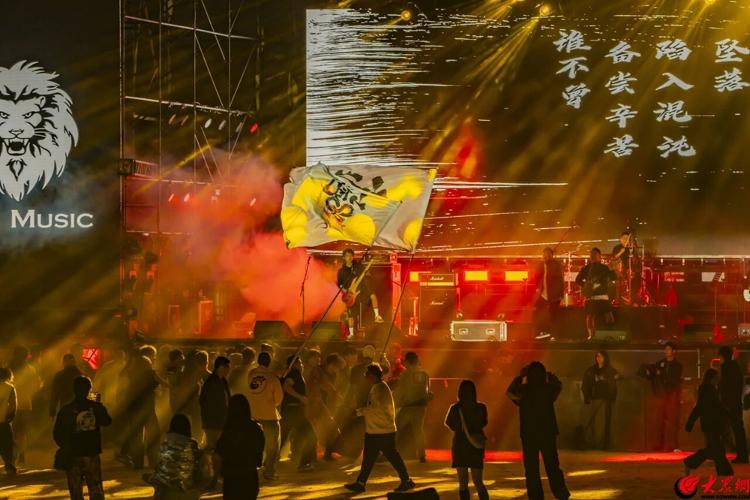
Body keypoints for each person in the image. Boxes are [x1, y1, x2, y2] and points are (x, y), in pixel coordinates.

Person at [344, 363, 415, 494]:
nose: (365, 377)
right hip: (376, 430)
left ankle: (406, 480)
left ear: (372, 375)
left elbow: (375, 408)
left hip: (381, 430)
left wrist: (358, 412)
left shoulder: (380, 388)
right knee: (370, 458)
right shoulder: (379, 387)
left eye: (367, 374)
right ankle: (361, 483)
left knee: (390, 457)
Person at [507, 362, 570, 500]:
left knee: (531, 469)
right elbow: (558, 386)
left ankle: (536, 496)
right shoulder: (547, 390)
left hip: (529, 433)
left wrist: (520, 377)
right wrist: (550, 377)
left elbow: (510, 393)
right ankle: (561, 494)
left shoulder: (524, 391)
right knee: (552, 466)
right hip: (547, 432)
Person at [53, 376, 112, 500]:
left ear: (74, 390)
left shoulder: (66, 410)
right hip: (91, 453)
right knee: (96, 490)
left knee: (75, 492)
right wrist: (99, 407)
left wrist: (66, 446)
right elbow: (107, 421)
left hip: (73, 455)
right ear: (89, 389)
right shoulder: (95, 407)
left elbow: (57, 434)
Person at [445, 380, 489, 500]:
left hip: (460, 444)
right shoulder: (481, 407)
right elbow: (484, 422)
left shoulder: (455, 408)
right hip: (476, 445)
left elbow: (448, 423)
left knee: (463, 482)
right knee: (478, 481)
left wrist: (460, 429)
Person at [684, 368, 733, 476]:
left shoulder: (710, 389)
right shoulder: (707, 390)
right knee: (717, 449)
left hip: (712, 423)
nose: (718, 379)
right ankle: (724, 471)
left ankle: (691, 462)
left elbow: (701, 407)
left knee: (714, 449)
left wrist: (690, 422)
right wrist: (690, 422)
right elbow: (702, 407)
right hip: (711, 424)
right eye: (716, 377)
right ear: (712, 378)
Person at [215, 395, 265, 500]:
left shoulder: (227, 430)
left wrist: (219, 473)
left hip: (231, 478)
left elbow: (219, 453)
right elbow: (259, 452)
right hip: (249, 476)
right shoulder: (255, 429)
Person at [145, 414, 201, 500]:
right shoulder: (193, 446)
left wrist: (151, 478)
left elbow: (160, 470)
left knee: (157, 483)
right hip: (189, 492)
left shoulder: (165, 445)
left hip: (168, 494)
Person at [640, 342, 683, 451]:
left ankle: (671, 445)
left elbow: (674, 379)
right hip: (660, 395)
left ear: (674, 351)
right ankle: (659, 444)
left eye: (669, 349)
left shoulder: (678, 365)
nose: (666, 351)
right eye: (665, 349)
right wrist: (648, 372)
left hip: (671, 395)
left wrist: (661, 374)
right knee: (659, 419)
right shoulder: (659, 363)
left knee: (671, 420)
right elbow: (652, 375)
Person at [247, 351, 283, 480]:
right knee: (272, 446)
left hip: (254, 415)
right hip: (269, 416)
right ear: (270, 362)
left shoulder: (251, 374)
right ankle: (269, 471)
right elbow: (278, 399)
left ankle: (252, 469)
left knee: (255, 445)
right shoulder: (272, 378)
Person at [280, 355, 317, 471]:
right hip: (294, 411)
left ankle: (268, 461)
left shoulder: (294, 374)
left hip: (290, 411)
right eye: (300, 363)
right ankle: (304, 464)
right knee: (312, 436)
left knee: (282, 437)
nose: (302, 365)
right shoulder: (294, 374)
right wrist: (300, 397)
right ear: (295, 364)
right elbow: (286, 386)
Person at [338, 249, 384, 339]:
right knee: (351, 315)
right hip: (350, 294)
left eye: (351, 255)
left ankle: (377, 316)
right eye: (347, 256)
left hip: (361, 289)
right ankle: (351, 334)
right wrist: (346, 291)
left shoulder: (358, 266)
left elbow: (368, 275)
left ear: (353, 256)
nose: (349, 257)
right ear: (344, 257)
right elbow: (340, 284)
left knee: (373, 296)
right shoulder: (341, 271)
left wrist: (368, 274)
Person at [199, 356, 231, 485]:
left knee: (217, 449)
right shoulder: (211, 383)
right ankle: (212, 477)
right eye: (227, 368)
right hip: (214, 423)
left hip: (220, 422)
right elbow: (205, 403)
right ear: (221, 367)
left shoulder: (222, 381)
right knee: (214, 450)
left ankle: (215, 476)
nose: (229, 370)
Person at [395, 351, 431, 462]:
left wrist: (395, 402)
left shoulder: (405, 374)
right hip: (421, 406)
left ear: (407, 361)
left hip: (408, 406)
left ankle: (389, 452)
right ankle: (422, 455)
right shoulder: (425, 374)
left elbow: (401, 391)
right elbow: (428, 390)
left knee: (395, 428)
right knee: (418, 431)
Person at [9, 345, 40, 465]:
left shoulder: (8, 369)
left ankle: (12, 453)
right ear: (26, 356)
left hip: (9, 405)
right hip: (25, 404)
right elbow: (36, 386)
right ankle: (21, 453)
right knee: (22, 431)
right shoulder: (31, 369)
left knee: (10, 429)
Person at [580, 350, 619, 449]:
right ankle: (594, 442)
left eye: (601, 356)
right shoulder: (591, 370)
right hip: (594, 399)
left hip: (605, 400)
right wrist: (587, 397)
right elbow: (586, 383)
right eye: (597, 356)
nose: (599, 358)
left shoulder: (609, 370)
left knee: (604, 423)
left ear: (605, 358)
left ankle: (603, 443)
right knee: (595, 423)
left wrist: (608, 379)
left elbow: (617, 376)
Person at [575, 248, 616, 340]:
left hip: (602, 295)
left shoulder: (604, 268)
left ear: (599, 256)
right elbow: (578, 280)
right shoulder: (586, 268)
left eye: (595, 254)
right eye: (591, 254)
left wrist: (612, 269)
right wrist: (586, 286)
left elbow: (613, 277)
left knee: (609, 317)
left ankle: (610, 336)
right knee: (590, 317)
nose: (592, 256)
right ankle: (591, 336)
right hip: (591, 297)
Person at [718, 345, 749, 463]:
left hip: (729, 404)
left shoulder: (727, 367)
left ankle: (735, 454)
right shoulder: (735, 366)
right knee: (738, 429)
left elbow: (725, 386)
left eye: (720, 357)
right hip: (735, 403)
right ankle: (742, 454)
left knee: (728, 429)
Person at [533, 247, 564, 340]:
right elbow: (537, 277)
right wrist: (537, 287)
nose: (545, 257)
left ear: (551, 256)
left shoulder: (556, 265)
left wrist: (560, 294)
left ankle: (553, 334)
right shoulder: (542, 265)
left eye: (547, 255)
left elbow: (560, 280)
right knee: (537, 310)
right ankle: (542, 331)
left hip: (554, 295)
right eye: (544, 255)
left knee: (553, 315)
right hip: (544, 294)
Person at [50, 354, 83, 418]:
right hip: (77, 407)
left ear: (63, 363)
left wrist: (52, 410)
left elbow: (54, 394)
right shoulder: (80, 374)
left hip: (65, 406)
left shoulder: (59, 375)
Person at [0, 367, 16, 475]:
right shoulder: (10, 388)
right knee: (7, 445)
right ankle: (9, 466)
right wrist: (10, 418)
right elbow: (13, 405)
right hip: (4, 421)